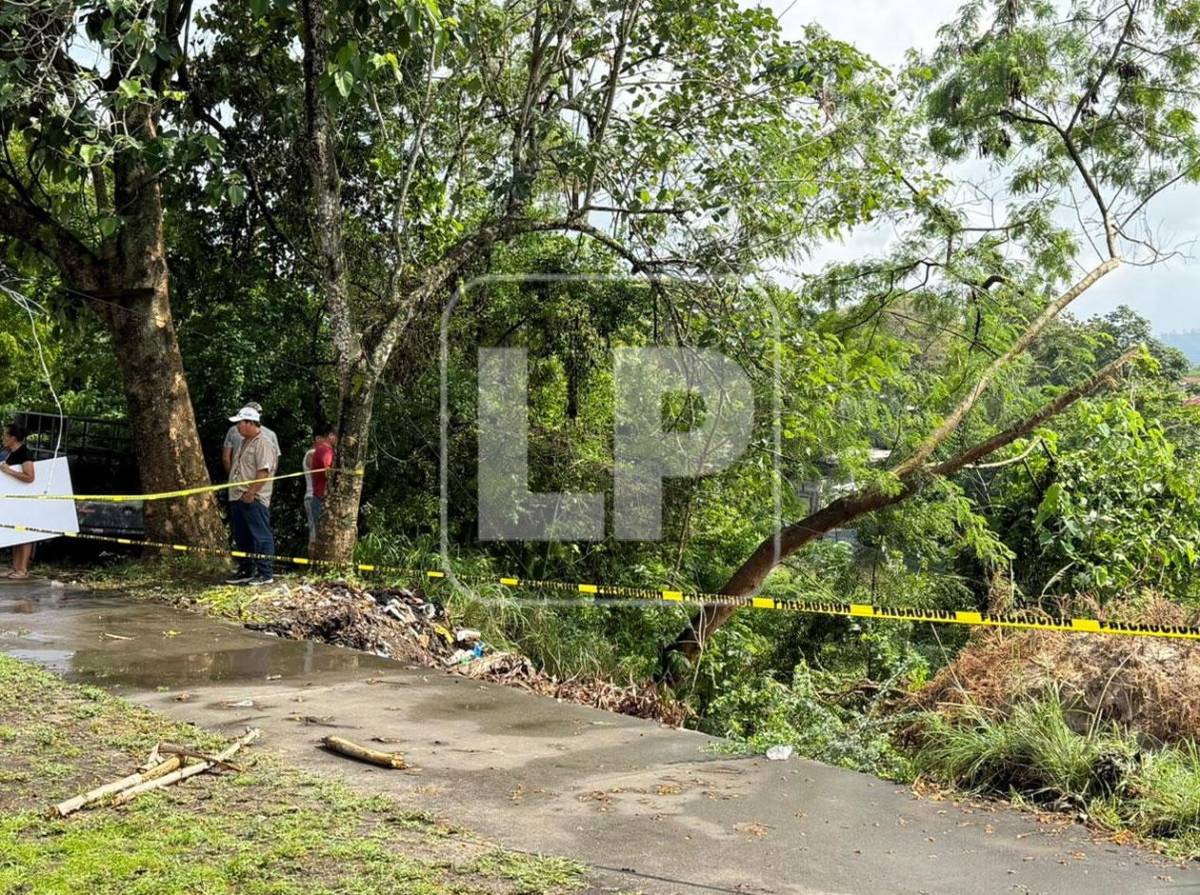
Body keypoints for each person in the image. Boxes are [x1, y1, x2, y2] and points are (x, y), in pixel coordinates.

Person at [225, 406, 280, 586]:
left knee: (261, 535)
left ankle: (265, 573)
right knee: (242, 536)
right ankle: (246, 570)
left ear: (250, 423)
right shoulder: (243, 442)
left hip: (253, 498)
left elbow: (263, 472)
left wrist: (251, 492)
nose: (237, 428)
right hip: (237, 496)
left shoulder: (263, 442)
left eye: (240, 423)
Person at [1, 423, 36, 579]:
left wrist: (9, 472)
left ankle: (23, 569)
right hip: (13, 500)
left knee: (24, 534)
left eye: (5, 435)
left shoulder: (24, 453)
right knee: (15, 533)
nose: (3, 438)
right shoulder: (10, 453)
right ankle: (16, 567)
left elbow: (30, 477)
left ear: (12, 437)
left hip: (25, 500)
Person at [302, 428, 337, 558]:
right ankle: (313, 567)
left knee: (318, 535)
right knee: (315, 536)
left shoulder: (319, 451)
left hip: (316, 495)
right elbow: (327, 472)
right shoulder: (319, 451)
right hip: (314, 496)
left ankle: (315, 566)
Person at [222, 402, 279, 473]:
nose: (238, 427)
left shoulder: (233, 431)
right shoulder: (271, 434)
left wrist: (232, 477)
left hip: (243, 480)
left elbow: (226, 458)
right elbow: (274, 462)